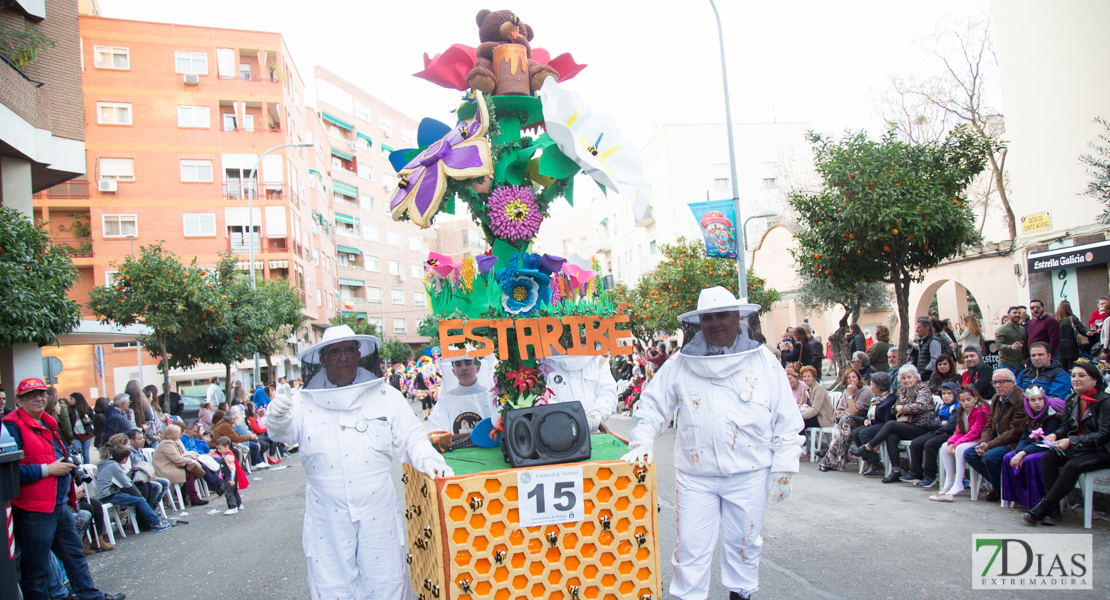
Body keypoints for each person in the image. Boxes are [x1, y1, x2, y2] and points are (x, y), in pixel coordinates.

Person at [622, 286, 803, 600]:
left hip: (749, 473)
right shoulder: (680, 362)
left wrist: (784, 468)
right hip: (696, 476)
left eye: (722, 315)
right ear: (699, 322)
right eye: (708, 317)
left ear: (737, 317)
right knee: (690, 548)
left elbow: (785, 417)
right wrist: (642, 442)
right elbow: (652, 406)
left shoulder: (763, 361)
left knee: (745, 545)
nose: (715, 323)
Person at [266, 325, 451, 599]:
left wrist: (429, 459)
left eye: (349, 350)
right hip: (326, 515)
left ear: (359, 354)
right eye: (335, 351)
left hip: (378, 509)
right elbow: (282, 433)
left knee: (386, 583)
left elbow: (412, 437)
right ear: (322, 358)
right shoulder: (302, 402)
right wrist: (276, 416)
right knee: (332, 588)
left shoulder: (387, 396)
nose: (343, 357)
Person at [1, 378, 128, 600]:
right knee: (37, 571)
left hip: (58, 504)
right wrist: (46, 470)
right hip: (34, 509)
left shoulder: (47, 423)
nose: (39, 398)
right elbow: (9, 473)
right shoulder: (12, 427)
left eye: (41, 394)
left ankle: (92, 597)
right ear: (19, 401)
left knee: (75, 557)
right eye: (31, 395)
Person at [1023, 362, 1110, 525]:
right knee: (1048, 457)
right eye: (1073, 375)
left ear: (1094, 380)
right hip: (1080, 447)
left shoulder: (1105, 401)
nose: (1076, 379)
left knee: (1073, 465)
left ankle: (1043, 507)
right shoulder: (1072, 399)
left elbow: (1104, 434)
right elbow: (1066, 426)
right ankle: (1054, 512)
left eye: (1081, 376)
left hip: (1101, 450)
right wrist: (1055, 435)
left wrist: (1071, 440)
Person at [850, 364, 935, 483]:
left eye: (909, 377)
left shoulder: (923, 389)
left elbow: (921, 406)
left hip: (921, 425)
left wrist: (902, 408)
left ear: (916, 377)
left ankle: (869, 447)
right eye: (904, 378)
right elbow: (894, 408)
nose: (907, 380)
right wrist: (898, 408)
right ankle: (896, 471)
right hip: (907, 425)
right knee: (891, 436)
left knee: (890, 424)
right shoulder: (902, 390)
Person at [963, 368, 1027, 502]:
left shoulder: (1021, 399)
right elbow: (989, 424)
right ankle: (1000, 485)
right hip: (995, 440)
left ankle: (1001, 488)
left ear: (1013, 382)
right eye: (995, 383)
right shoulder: (997, 398)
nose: (997, 386)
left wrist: (989, 445)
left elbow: (1015, 431)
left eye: (1001, 382)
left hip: (1013, 442)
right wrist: (985, 442)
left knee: (989, 456)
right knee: (970, 453)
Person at [1000, 386, 1064, 510]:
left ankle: (1036, 500)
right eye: (1033, 400)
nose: (1037, 403)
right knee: (1008, 457)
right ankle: (1020, 497)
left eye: (1040, 399)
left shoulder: (1052, 417)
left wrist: (1024, 452)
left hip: (1049, 448)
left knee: (1030, 460)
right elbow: (1025, 437)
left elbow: (1048, 441)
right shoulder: (1028, 416)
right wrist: (1019, 451)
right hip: (1034, 446)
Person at [929, 386, 990, 502]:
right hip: (967, 438)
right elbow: (959, 430)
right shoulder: (962, 411)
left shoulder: (981, 410)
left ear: (975, 399)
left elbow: (975, 432)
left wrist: (956, 444)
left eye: (968, 399)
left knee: (961, 448)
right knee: (944, 446)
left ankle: (959, 483)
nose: (966, 403)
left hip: (980, 439)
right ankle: (949, 480)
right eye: (962, 401)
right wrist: (952, 442)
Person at [96, 444, 172, 532]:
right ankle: (156, 522)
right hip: (109, 495)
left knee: (142, 495)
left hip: (109, 492)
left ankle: (152, 520)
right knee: (140, 500)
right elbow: (127, 484)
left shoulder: (110, 464)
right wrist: (139, 495)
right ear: (125, 458)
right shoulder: (114, 466)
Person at [428, 356, 496, 451]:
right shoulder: (445, 400)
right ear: (453, 371)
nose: (463, 368)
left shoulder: (491, 396)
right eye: (458, 365)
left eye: (468, 363)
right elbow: (437, 430)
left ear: (478, 368)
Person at [817, 369, 874, 472]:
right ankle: (834, 461)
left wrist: (850, 395)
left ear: (858, 378)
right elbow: (838, 411)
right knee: (844, 424)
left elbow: (854, 412)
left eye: (854, 377)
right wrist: (847, 409)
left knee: (845, 422)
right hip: (846, 422)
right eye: (849, 378)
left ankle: (830, 458)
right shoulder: (846, 391)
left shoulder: (865, 391)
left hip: (861, 420)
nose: (851, 380)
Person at [545, 352, 618, 433]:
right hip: (556, 431)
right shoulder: (544, 362)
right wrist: (561, 417)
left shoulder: (598, 362)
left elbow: (608, 393)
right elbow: (541, 397)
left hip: (591, 432)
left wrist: (596, 414)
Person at [904, 381, 960, 487]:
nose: (946, 396)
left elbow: (952, 425)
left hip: (950, 434)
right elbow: (931, 422)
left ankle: (930, 475)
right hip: (938, 431)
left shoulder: (957, 407)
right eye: (944, 394)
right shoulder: (942, 406)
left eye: (949, 393)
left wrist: (938, 424)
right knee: (916, 443)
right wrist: (942, 423)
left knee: (930, 445)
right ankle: (916, 473)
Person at [153, 424, 218, 506]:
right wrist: (190, 460)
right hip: (165, 469)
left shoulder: (170, 442)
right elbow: (177, 459)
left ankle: (186, 494)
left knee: (192, 472)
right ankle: (193, 498)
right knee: (190, 474)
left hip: (171, 467)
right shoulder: (167, 444)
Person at [127, 429, 169, 512]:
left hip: (145, 477)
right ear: (131, 441)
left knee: (165, 482)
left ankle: (152, 509)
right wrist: (148, 477)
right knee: (157, 486)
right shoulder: (128, 453)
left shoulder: (139, 450)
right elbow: (131, 471)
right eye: (139, 439)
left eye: (143, 438)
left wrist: (149, 476)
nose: (143, 440)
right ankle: (148, 511)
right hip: (136, 479)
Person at [213, 436, 246, 515]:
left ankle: (232, 506)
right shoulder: (228, 454)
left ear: (227, 447)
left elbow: (232, 469)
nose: (218, 450)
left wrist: (231, 479)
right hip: (230, 476)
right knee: (234, 491)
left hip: (229, 476)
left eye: (220, 448)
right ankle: (239, 504)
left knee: (228, 492)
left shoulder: (228, 456)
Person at [1056, 300, 1089, 372]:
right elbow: (1081, 328)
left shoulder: (1055, 320)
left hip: (1060, 346)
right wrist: (1088, 332)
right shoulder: (1072, 318)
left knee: (1063, 368)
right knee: (1072, 367)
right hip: (1071, 345)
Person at [995, 306, 1027, 376]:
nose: (1017, 315)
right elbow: (998, 346)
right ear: (1009, 315)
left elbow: (1025, 343)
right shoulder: (1002, 329)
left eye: (1019, 313)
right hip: (1007, 363)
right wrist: (1011, 347)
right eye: (1014, 313)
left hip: (1020, 363)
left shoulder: (1022, 329)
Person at [908, 317, 943, 382]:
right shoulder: (923, 341)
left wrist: (924, 372)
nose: (916, 330)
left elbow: (935, 360)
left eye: (919, 328)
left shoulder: (933, 341)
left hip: (929, 378)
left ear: (927, 328)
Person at [798, 365, 833, 430]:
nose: (806, 378)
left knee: (801, 423)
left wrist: (800, 416)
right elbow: (801, 404)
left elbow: (815, 410)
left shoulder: (819, 389)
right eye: (804, 376)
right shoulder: (805, 389)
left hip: (822, 417)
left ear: (814, 377)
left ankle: (803, 440)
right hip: (811, 415)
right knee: (795, 422)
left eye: (809, 376)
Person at [67, 392, 95, 465]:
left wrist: (89, 421)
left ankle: (87, 468)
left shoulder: (87, 408)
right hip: (76, 435)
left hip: (86, 434)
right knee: (79, 453)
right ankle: (80, 468)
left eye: (71, 399)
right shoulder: (70, 410)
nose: (70, 401)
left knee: (85, 453)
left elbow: (93, 419)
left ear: (77, 399)